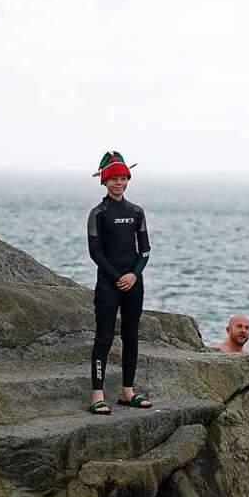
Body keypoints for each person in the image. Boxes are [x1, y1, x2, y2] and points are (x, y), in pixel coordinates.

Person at [87, 151, 153, 414]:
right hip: (108, 284)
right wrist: (117, 277)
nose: (119, 183)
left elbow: (145, 249)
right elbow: (95, 252)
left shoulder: (136, 212)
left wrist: (134, 274)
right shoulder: (98, 213)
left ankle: (128, 392)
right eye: (114, 178)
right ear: (104, 181)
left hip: (134, 283)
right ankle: (97, 395)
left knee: (131, 335)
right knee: (104, 337)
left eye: (124, 178)